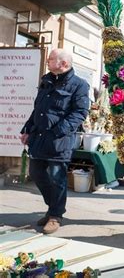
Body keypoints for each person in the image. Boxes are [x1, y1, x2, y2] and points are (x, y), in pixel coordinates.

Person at [20, 49, 89, 234]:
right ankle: (54, 208)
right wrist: (27, 129)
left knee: (58, 179)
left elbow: (80, 113)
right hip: (39, 138)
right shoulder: (47, 80)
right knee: (36, 172)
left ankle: (55, 216)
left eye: (51, 59)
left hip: (60, 141)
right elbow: (38, 109)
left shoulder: (79, 85)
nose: (48, 62)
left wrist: (59, 130)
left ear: (63, 63)